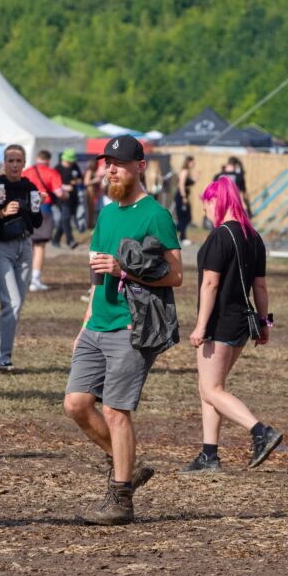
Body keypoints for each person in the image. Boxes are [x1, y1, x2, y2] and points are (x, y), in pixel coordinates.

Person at [64, 135, 182, 526]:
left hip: (131, 327)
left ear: (140, 167)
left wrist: (125, 270)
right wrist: (85, 322)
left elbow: (176, 275)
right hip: (97, 324)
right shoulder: (107, 214)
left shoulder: (156, 215)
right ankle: (127, 464)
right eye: (108, 163)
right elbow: (97, 273)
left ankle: (121, 500)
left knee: (115, 410)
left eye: (119, 163)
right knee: (76, 404)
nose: (111, 170)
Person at [181, 177, 281, 473]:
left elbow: (210, 284)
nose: (206, 211)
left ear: (217, 200)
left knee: (211, 389)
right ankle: (209, 455)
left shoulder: (219, 236)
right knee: (211, 388)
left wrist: (200, 326)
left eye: (206, 204)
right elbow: (260, 287)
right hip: (242, 323)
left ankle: (260, 432)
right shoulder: (254, 237)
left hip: (220, 322)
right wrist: (264, 322)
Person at [0, 145, 43, 371]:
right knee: (12, 302)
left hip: (25, 247)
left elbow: (37, 222)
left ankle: (2, 356)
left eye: (19, 161)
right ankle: (2, 358)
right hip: (2, 247)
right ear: (4, 163)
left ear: (25, 163)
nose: (15, 165)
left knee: (16, 305)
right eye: (11, 160)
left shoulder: (30, 187)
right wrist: (2, 212)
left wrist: (36, 205)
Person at [24, 149, 67, 292]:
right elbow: (59, 193)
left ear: (37, 158)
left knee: (28, 244)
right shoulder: (52, 172)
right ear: (48, 160)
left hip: (26, 209)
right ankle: (35, 280)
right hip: (44, 209)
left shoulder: (27, 171)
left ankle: (25, 277)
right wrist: (66, 195)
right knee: (39, 246)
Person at [53, 148, 82, 249]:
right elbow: (54, 183)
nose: (70, 163)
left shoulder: (75, 166)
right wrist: (64, 187)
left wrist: (76, 182)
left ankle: (56, 240)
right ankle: (70, 240)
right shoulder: (57, 168)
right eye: (68, 161)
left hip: (73, 197)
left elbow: (80, 178)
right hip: (62, 198)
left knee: (65, 219)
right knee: (66, 217)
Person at [175, 156, 196, 246]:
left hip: (184, 196)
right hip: (181, 196)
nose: (194, 164)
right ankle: (182, 237)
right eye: (192, 162)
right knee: (184, 217)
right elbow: (181, 184)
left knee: (186, 217)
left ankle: (179, 234)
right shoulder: (184, 171)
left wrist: (196, 178)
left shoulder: (187, 171)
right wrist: (183, 196)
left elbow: (189, 183)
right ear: (188, 162)